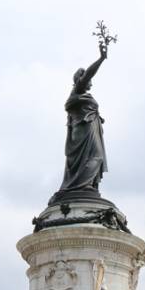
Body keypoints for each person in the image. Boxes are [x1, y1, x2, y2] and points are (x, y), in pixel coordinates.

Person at [52, 41, 109, 199]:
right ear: (80, 79)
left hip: (87, 130)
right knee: (95, 157)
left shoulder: (80, 95)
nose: (90, 81)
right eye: (85, 78)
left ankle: (86, 185)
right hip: (84, 131)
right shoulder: (78, 90)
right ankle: (82, 186)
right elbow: (89, 74)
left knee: (92, 158)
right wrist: (101, 58)